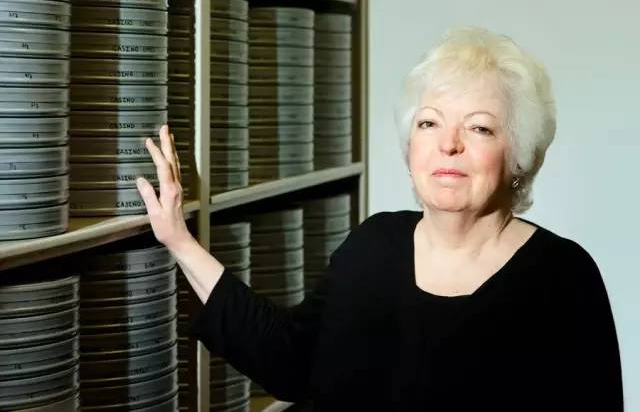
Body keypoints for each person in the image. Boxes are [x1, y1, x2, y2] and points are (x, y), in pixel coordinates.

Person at [136, 26, 624, 411]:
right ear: (410, 147)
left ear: (518, 155)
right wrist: (179, 239)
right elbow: (289, 359)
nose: (448, 144)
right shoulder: (373, 244)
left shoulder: (562, 277)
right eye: (429, 122)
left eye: (479, 127)